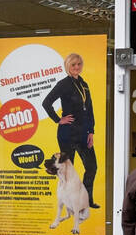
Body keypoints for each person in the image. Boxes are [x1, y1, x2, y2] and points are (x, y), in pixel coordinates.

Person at [40, 52, 99, 208]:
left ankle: (87, 200)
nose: (76, 67)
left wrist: (91, 131)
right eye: (73, 65)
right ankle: (69, 204)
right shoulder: (63, 84)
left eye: (79, 64)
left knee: (92, 167)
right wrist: (58, 119)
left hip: (84, 134)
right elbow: (46, 103)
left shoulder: (84, 84)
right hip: (68, 133)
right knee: (67, 173)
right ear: (68, 66)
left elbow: (90, 109)